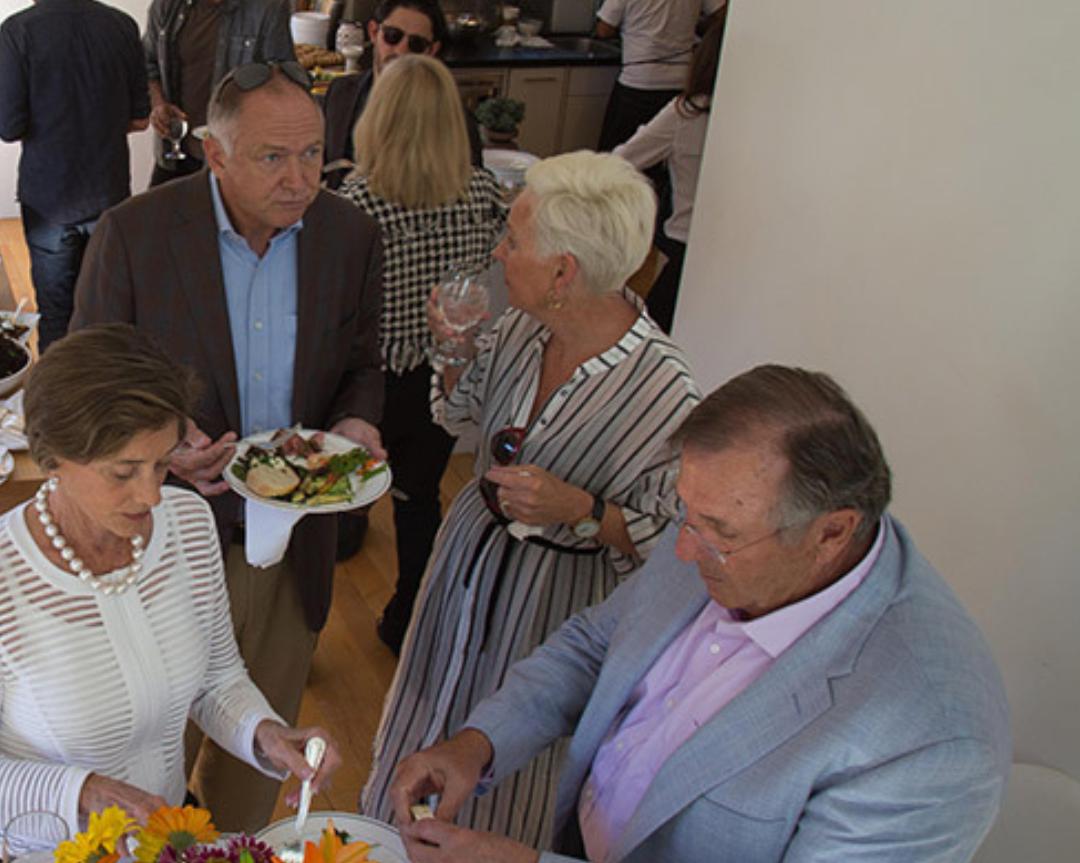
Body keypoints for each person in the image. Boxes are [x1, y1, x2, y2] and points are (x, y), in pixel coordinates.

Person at [385, 366, 1011, 863]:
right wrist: (478, 744)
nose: (682, 550)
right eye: (686, 512)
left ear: (831, 532)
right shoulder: (728, 519)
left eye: (716, 532)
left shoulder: (931, 742)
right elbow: (596, 646)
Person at [73, 61, 383, 832]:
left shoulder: (350, 236)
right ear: (214, 153)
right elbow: (89, 376)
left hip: (293, 547)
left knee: (260, 758)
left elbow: (362, 363)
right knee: (150, 757)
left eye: (313, 153)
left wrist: (355, 424)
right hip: (163, 540)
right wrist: (162, 442)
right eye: (272, 157)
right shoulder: (136, 234)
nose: (300, 178)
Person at [361, 151, 699, 850]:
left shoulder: (667, 394)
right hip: (465, 566)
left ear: (563, 273)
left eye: (514, 239)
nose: (498, 250)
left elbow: (679, 551)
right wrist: (452, 354)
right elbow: (465, 417)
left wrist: (582, 509)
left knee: (512, 759)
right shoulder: (521, 327)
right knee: (427, 710)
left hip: (553, 608)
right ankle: (393, 836)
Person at [0, 325, 340, 862]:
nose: (153, 495)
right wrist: (86, 793)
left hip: (156, 838)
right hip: (30, 851)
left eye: (162, 463)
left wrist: (265, 734)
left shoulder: (188, 525)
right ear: (51, 460)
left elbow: (216, 677)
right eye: (123, 472)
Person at [335, 54, 507, 654]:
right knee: (417, 497)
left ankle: (306, 625)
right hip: (444, 375)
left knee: (335, 493)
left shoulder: (356, 201)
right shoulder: (482, 192)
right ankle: (409, 616)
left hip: (371, 384)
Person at [0, 0, 150, 350]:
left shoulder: (17, 31)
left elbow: (7, 127)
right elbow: (139, 119)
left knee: (58, 317)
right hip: (107, 195)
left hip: (49, 203)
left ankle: (60, 413)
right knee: (107, 314)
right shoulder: (121, 26)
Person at [142, 0, 294, 184]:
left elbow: (282, 87)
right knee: (154, 224)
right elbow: (147, 64)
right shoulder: (167, 4)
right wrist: (159, 104)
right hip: (175, 156)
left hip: (236, 159)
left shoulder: (266, 11)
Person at [615, 12, 724, 331]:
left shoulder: (686, 115)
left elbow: (622, 160)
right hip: (731, 249)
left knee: (663, 336)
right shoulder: (761, 122)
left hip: (683, 248)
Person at [593, 0, 725, 153]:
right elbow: (722, 16)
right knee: (661, 158)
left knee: (621, 156)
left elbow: (604, 30)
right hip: (679, 85)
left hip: (638, 82)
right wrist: (695, 27)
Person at [321, 0, 449, 184]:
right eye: (392, 36)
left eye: (416, 44)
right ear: (373, 32)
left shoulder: (449, 115)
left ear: (432, 50)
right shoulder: (340, 92)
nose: (400, 50)